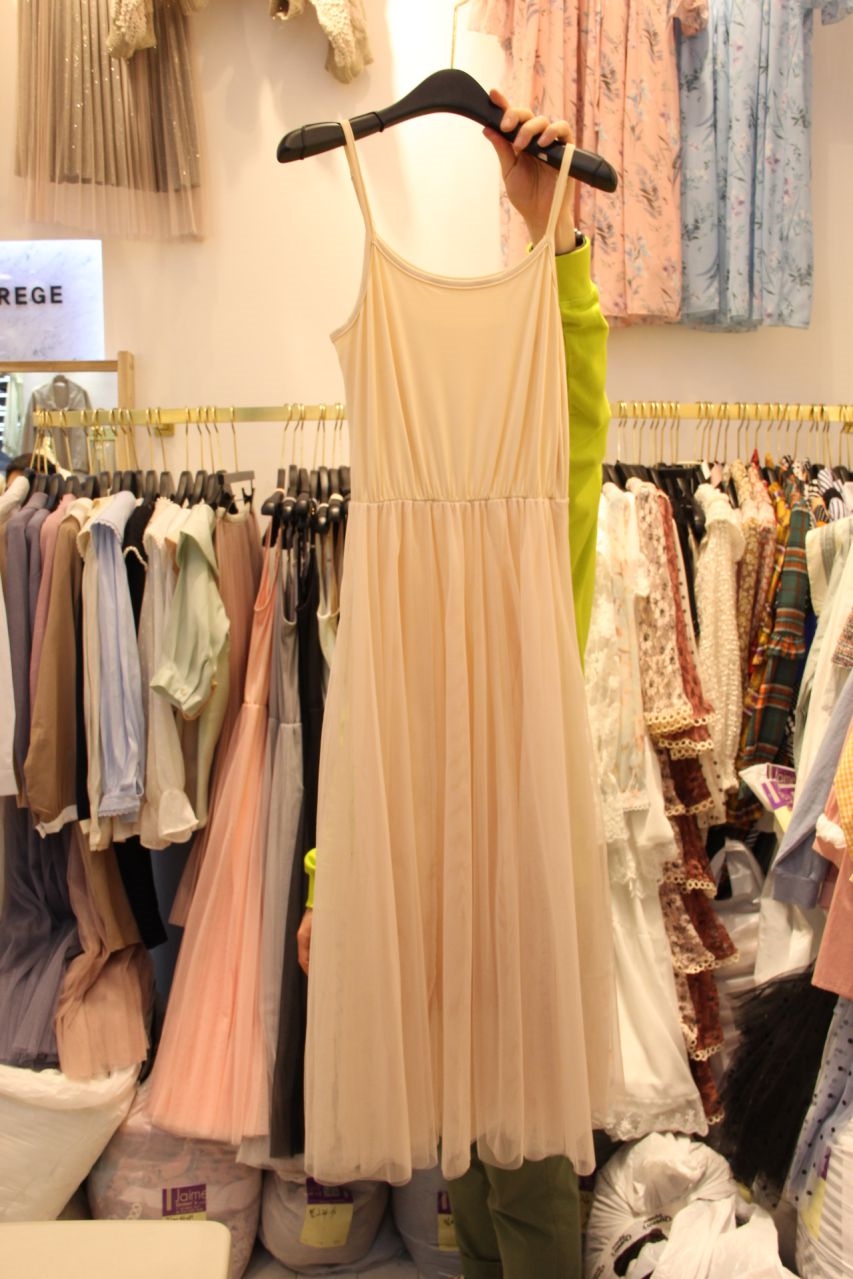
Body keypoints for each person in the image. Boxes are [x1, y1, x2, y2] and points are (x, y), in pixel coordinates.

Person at [296, 90, 610, 1279]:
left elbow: (577, 419)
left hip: (513, 837)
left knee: (518, 1154)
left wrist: (555, 242)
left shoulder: (546, 514)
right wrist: (334, 874)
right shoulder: (402, 511)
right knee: (467, 1159)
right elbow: (372, 712)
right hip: (419, 837)